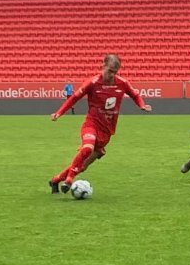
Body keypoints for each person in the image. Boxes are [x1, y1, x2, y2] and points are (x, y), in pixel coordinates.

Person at [48, 54, 152, 192]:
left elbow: (135, 95)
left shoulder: (122, 83)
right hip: (92, 124)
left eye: (115, 72)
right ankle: (69, 180)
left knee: (83, 165)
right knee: (87, 148)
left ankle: (55, 180)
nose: (112, 75)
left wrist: (142, 105)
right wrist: (59, 113)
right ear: (103, 66)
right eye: (110, 71)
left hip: (107, 129)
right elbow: (74, 98)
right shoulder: (92, 83)